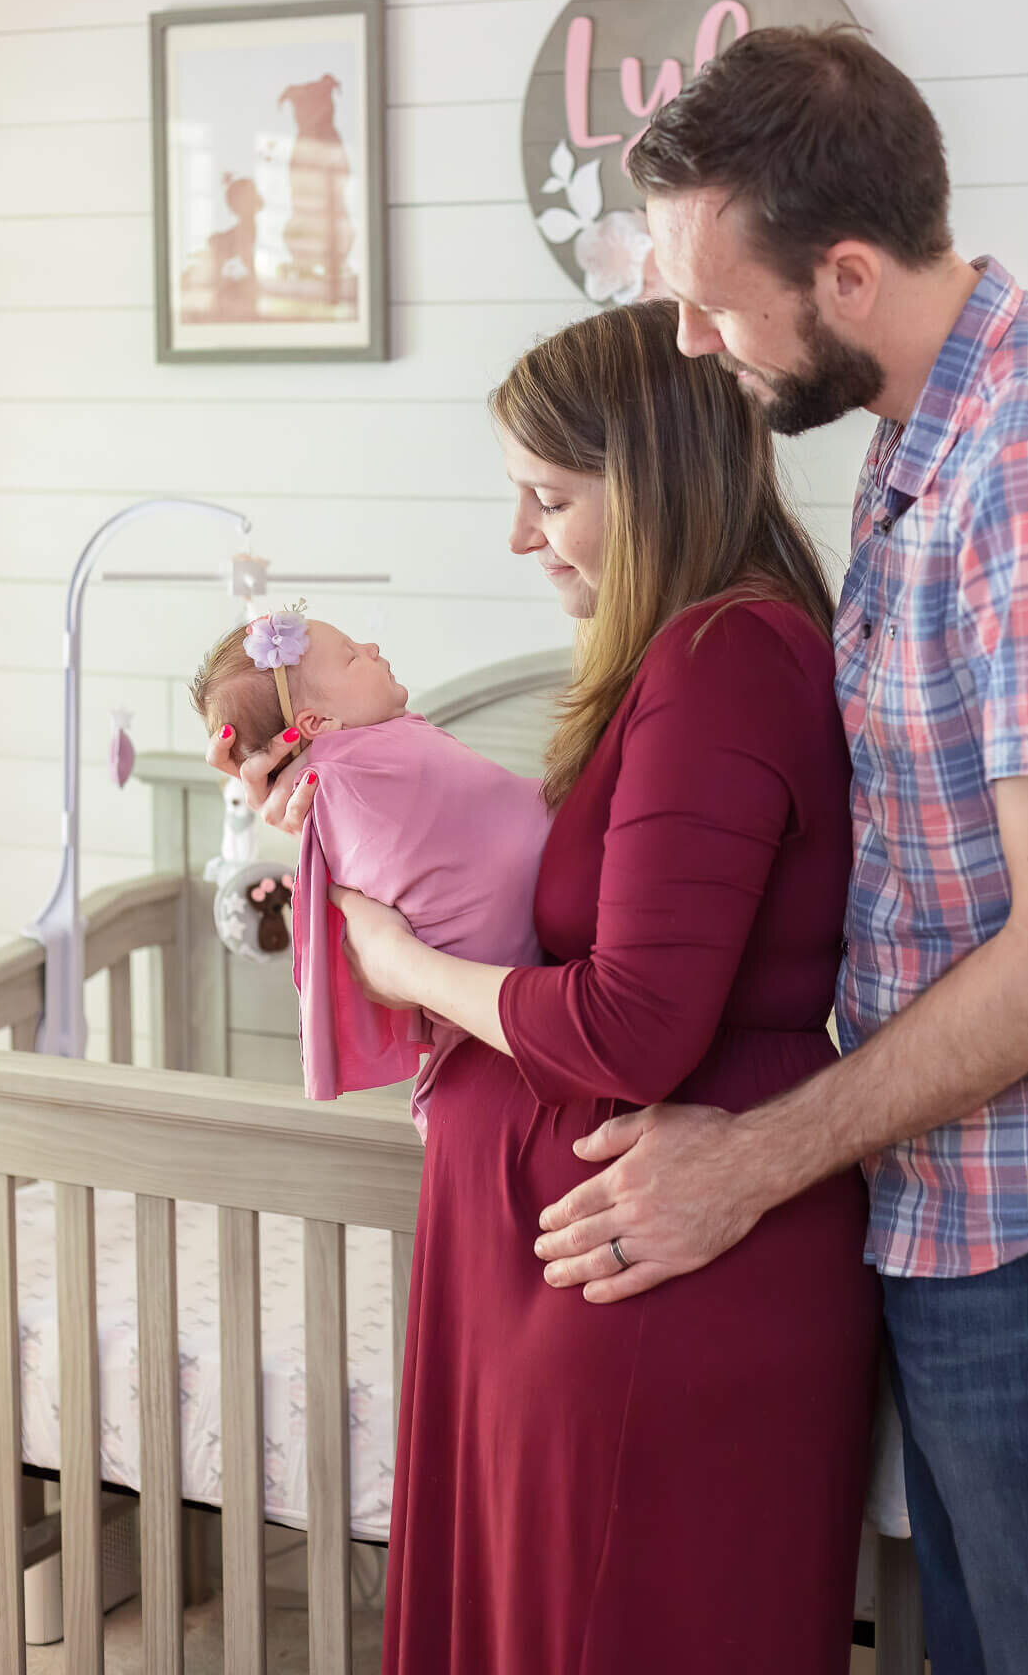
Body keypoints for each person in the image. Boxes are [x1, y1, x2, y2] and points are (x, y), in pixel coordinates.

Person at [531, 25, 1028, 1675]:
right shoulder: (931, 421)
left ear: (848, 274)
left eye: (714, 306)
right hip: (982, 1194)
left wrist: (752, 1156)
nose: (688, 337)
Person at [208, 300, 879, 1675]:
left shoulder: (719, 662)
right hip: (579, 1261)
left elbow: (633, 1025)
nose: (521, 534)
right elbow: (549, 892)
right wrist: (337, 814)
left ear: (649, 481)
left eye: (548, 495)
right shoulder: (683, 660)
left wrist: (398, 967)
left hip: (642, 1275)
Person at [188, 612, 549, 1121]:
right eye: (352, 655)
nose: (374, 647)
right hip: (498, 980)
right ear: (315, 724)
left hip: (527, 954)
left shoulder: (386, 746)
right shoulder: (336, 780)